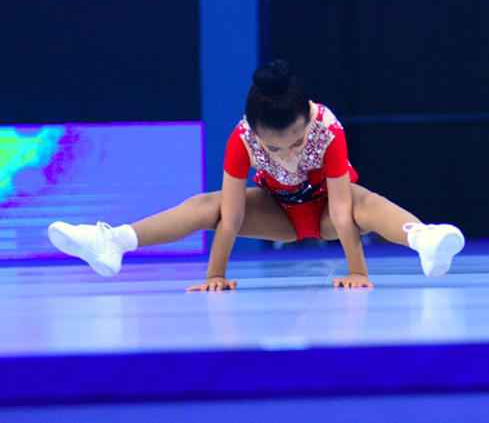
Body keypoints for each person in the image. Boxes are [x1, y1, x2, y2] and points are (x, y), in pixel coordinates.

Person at [47, 60, 464, 290]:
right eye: (275, 147)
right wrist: (215, 275)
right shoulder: (241, 139)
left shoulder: (329, 128)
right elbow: (230, 217)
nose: (289, 154)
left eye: (298, 143)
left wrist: (358, 271)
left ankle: (422, 237)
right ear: (255, 132)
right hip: (278, 215)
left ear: (308, 121)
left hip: (327, 212)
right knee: (206, 204)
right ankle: (113, 242)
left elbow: (339, 211)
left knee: (361, 201)